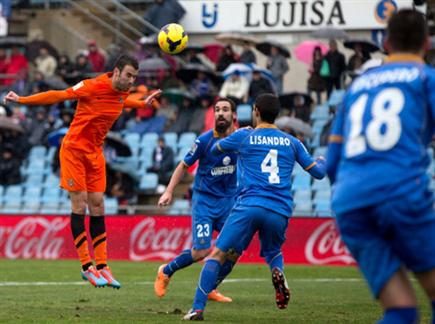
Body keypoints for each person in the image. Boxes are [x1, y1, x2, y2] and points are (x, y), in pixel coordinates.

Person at [4, 54, 161, 289]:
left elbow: (122, 102)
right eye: (128, 75)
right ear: (116, 72)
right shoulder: (91, 86)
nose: (131, 80)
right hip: (74, 150)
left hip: (95, 154)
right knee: (80, 203)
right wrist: (22, 100)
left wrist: (142, 104)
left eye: (134, 77)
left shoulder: (121, 92)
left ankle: (102, 266)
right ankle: (87, 266)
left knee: (98, 203)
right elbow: (58, 95)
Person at [326, 9, 435, 324]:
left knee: (401, 311)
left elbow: (332, 164)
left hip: (350, 204)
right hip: (400, 194)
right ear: (427, 43)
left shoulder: (357, 86)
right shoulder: (426, 79)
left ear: (386, 42)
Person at [183, 94, 326, 320]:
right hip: (279, 209)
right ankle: (277, 272)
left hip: (249, 205)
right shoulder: (292, 142)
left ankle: (197, 309)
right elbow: (318, 173)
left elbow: (216, 148)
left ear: (256, 111)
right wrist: (322, 161)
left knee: (217, 254)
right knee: (273, 252)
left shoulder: (245, 135)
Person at [156, 98, 238, 304]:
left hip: (228, 201)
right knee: (201, 251)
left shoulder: (241, 139)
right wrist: (168, 192)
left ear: (233, 116)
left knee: (234, 250)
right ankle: (166, 271)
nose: (220, 113)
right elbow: (183, 166)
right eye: (217, 109)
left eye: (225, 110)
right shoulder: (204, 141)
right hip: (205, 202)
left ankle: (210, 287)